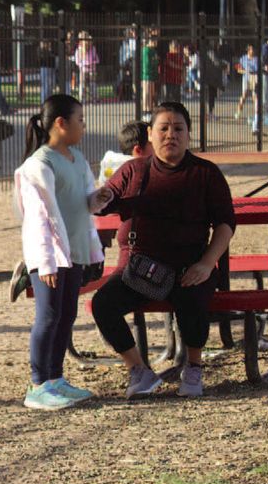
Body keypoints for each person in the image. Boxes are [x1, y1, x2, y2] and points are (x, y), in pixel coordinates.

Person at [92, 102, 235, 399]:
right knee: (103, 304)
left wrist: (207, 263)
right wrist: (101, 195)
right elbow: (105, 199)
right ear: (150, 134)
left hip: (189, 265)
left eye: (178, 128)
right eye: (164, 128)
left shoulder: (205, 174)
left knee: (193, 297)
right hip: (140, 268)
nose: (171, 135)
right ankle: (138, 370)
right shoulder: (133, 170)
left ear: (189, 134)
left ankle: (193, 367)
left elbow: (225, 224)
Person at [13, 94, 112, 411]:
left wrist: (100, 196)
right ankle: (38, 384)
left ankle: (55, 378)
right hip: (49, 258)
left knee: (66, 315)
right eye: (79, 120)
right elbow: (38, 219)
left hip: (74, 253)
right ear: (61, 123)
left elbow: (84, 201)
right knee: (49, 316)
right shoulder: (38, 165)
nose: (83, 126)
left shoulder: (77, 158)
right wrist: (44, 262)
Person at [235, 44, 259, 121]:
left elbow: (258, 70)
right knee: (244, 95)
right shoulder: (243, 59)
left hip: (254, 79)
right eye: (252, 49)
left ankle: (256, 116)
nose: (253, 51)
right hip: (246, 79)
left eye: (254, 49)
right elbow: (238, 69)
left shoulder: (256, 59)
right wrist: (245, 71)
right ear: (248, 50)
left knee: (255, 97)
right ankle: (238, 112)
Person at [74, 31, 99, 103]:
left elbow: (96, 58)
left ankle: (94, 98)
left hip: (91, 68)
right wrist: (83, 64)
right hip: (83, 68)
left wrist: (92, 63)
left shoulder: (92, 48)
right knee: (82, 84)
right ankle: (83, 99)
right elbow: (77, 61)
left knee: (92, 84)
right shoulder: (79, 49)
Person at [140, 33, 160, 115]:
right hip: (147, 75)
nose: (156, 43)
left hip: (153, 75)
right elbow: (146, 64)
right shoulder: (146, 50)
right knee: (147, 92)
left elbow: (156, 62)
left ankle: (150, 109)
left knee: (151, 93)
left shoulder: (153, 51)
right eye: (154, 41)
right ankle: (145, 110)